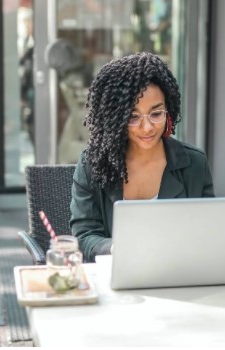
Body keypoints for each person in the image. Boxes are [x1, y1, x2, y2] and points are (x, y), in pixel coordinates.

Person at [70, 52, 214, 262]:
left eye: (156, 114)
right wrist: (114, 248)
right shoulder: (93, 164)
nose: (146, 128)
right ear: (115, 119)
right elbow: (84, 237)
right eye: (133, 117)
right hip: (116, 279)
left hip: (179, 274)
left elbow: (208, 233)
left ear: (169, 111)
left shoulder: (194, 164)